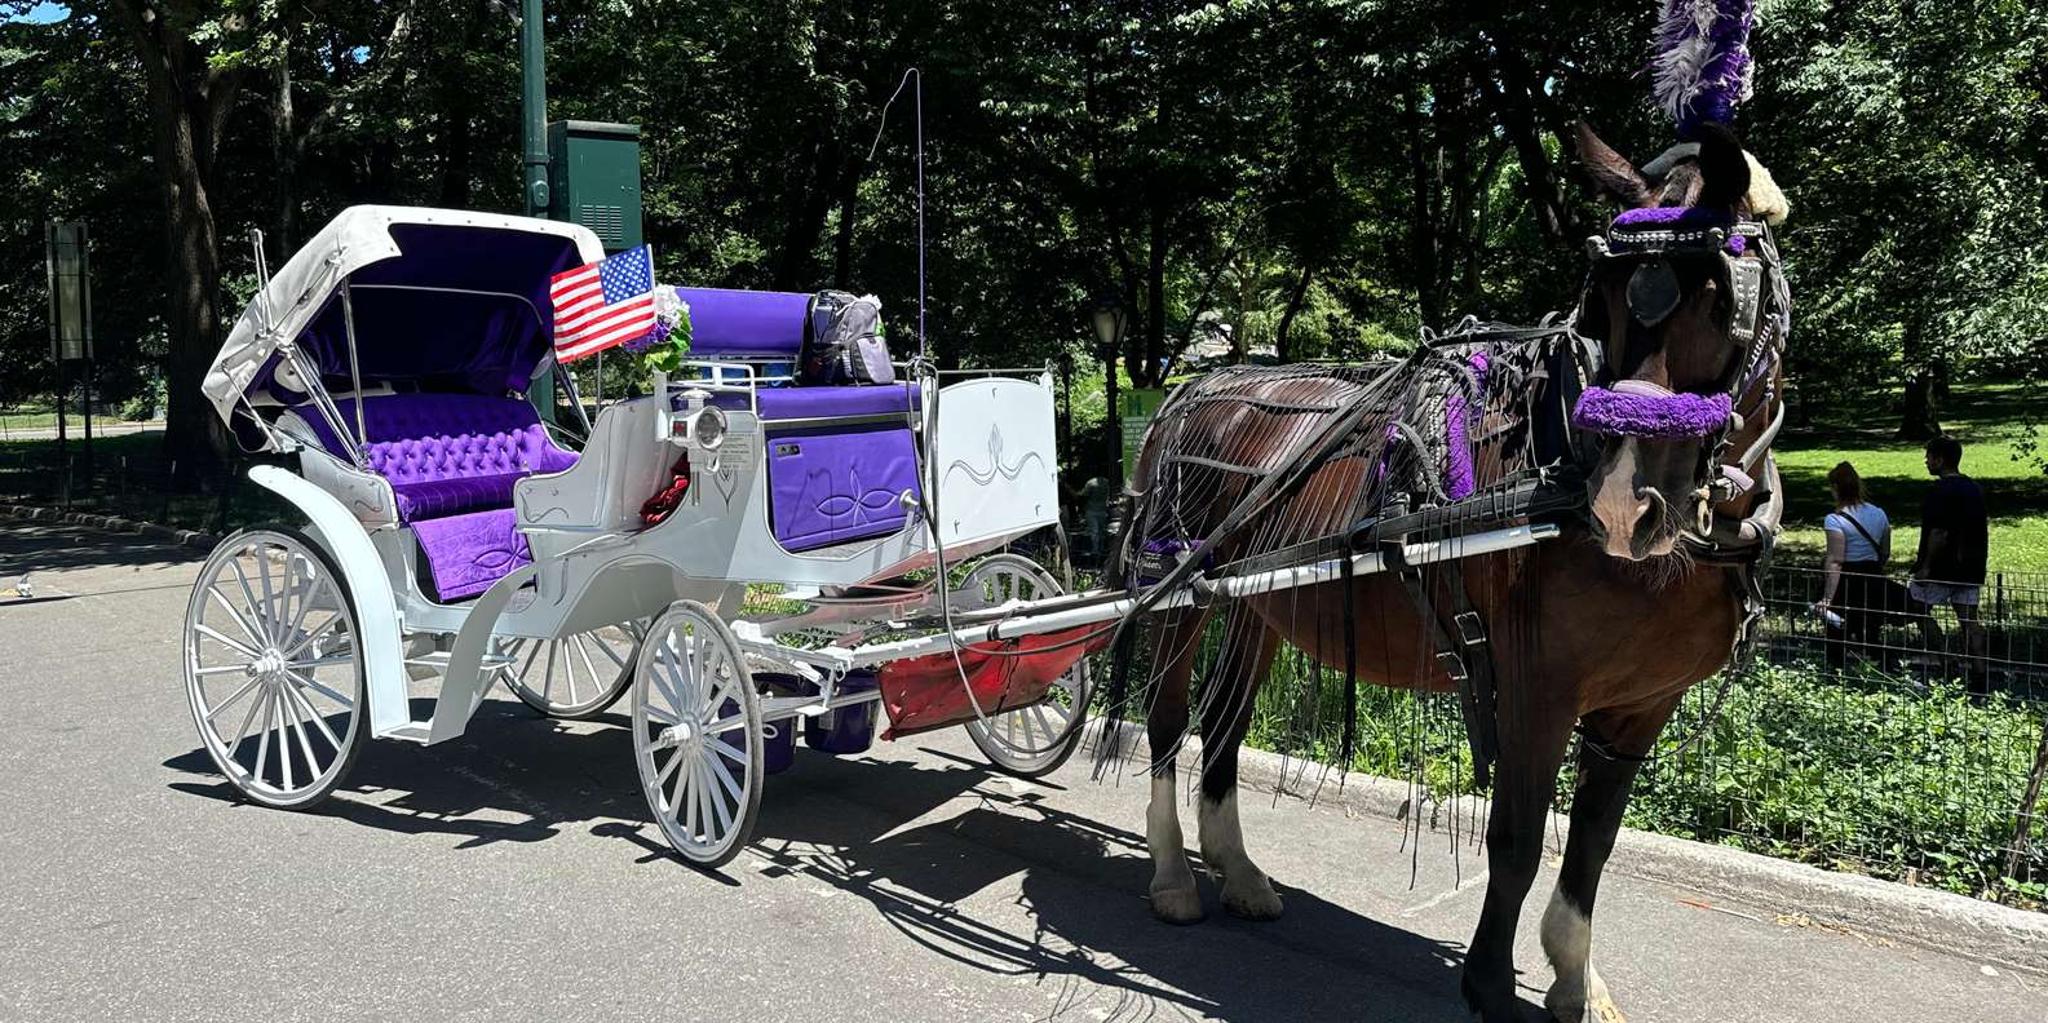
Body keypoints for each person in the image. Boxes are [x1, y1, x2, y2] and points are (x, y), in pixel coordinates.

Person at [1910, 435, 1990, 689]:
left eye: (1929, 457)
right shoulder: (1974, 488)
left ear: (1940, 460)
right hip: (1971, 567)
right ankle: (1980, 673)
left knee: (1917, 610)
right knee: (1969, 621)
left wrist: (1926, 567)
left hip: (1941, 569)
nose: (1926, 461)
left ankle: (1947, 663)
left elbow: (1938, 533)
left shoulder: (1939, 491)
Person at [1815, 462, 1893, 668]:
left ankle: (1835, 673)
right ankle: (1878, 670)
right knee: (1871, 628)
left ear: (1835, 488)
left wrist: (1827, 598)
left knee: (1837, 630)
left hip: (1847, 581)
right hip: (1873, 577)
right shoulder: (1879, 513)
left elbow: (1835, 560)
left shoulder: (1834, 520)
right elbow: (1885, 551)